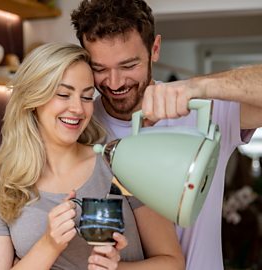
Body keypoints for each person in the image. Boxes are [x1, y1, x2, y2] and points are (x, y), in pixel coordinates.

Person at [71, 1, 262, 269]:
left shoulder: (204, 108)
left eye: (128, 65)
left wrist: (200, 85)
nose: (114, 83)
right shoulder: (78, 125)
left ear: (155, 49)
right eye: (99, 68)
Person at [0, 42, 184, 270]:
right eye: (64, 94)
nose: (78, 109)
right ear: (33, 100)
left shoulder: (120, 162)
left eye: (86, 97)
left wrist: (118, 269)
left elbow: (172, 262)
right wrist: (49, 245)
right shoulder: (4, 182)